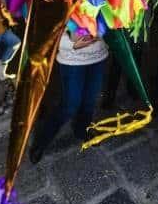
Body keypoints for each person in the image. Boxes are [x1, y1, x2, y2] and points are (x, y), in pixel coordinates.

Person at [29, 30, 108, 164]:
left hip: (98, 55)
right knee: (70, 106)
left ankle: (82, 130)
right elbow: (50, 26)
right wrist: (71, 44)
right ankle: (41, 142)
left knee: (89, 101)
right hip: (72, 59)